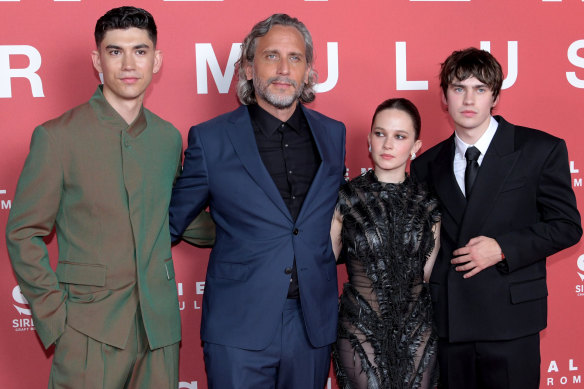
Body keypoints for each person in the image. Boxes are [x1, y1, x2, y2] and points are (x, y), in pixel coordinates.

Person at [5, 6, 213, 388]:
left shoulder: (168, 139)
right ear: (97, 59)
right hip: (87, 331)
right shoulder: (57, 137)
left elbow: (182, 217)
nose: (128, 64)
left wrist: (249, 214)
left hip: (159, 332)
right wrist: (55, 320)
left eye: (140, 50)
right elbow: (22, 232)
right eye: (115, 51)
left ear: (157, 59)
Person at [169, 13, 346, 389]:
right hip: (238, 325)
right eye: (271, 56)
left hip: (311, 324)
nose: (284, 69)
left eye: (295, 58)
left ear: (308, 70)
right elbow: (171, 222)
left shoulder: (333, 135)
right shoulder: (211, 139)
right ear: (249, 68)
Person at [410, 47, 582, 388]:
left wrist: (502, 248)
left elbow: (567, 226)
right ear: (445, 97)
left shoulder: (539, 149)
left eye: (480, 89)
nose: (468, 99)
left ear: (495, 97)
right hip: (449, 323)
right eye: (459, 89)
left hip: (511, 321)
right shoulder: (425, 165)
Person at [330, 98, 440, 389]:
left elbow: (427, 275)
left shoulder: (429, 205)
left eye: (399, 136)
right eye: (380, 134)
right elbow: (320, 266)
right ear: (369, 140)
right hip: (360, 331)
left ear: (416, 147)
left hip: (417, 331)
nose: (388, 144)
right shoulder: (345, 200)